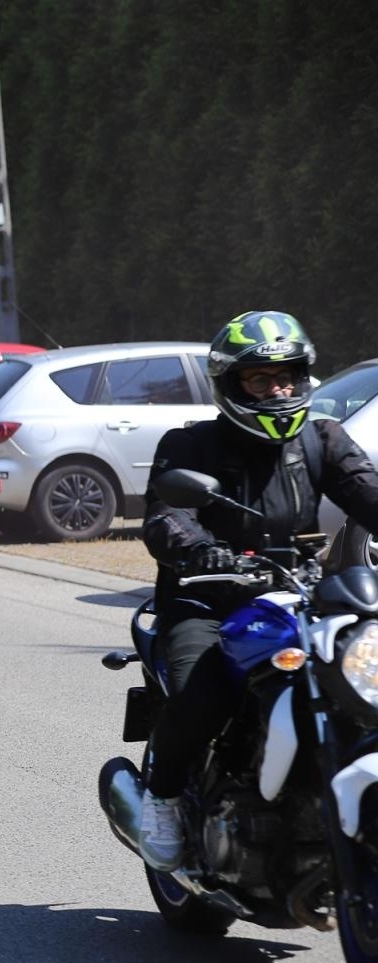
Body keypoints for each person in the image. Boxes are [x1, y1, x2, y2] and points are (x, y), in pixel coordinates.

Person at [139, 310, 378, 870]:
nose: (279, 389)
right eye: (261, 380)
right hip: (207, 596)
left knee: (361, 676)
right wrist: (200, 550)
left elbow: (367, 492)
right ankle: (164, 797)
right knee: (206, 689)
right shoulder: (190, 446)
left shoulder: (320, 439)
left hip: (297, 591)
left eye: (288, 377)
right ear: (231, 385)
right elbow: (166, 515)